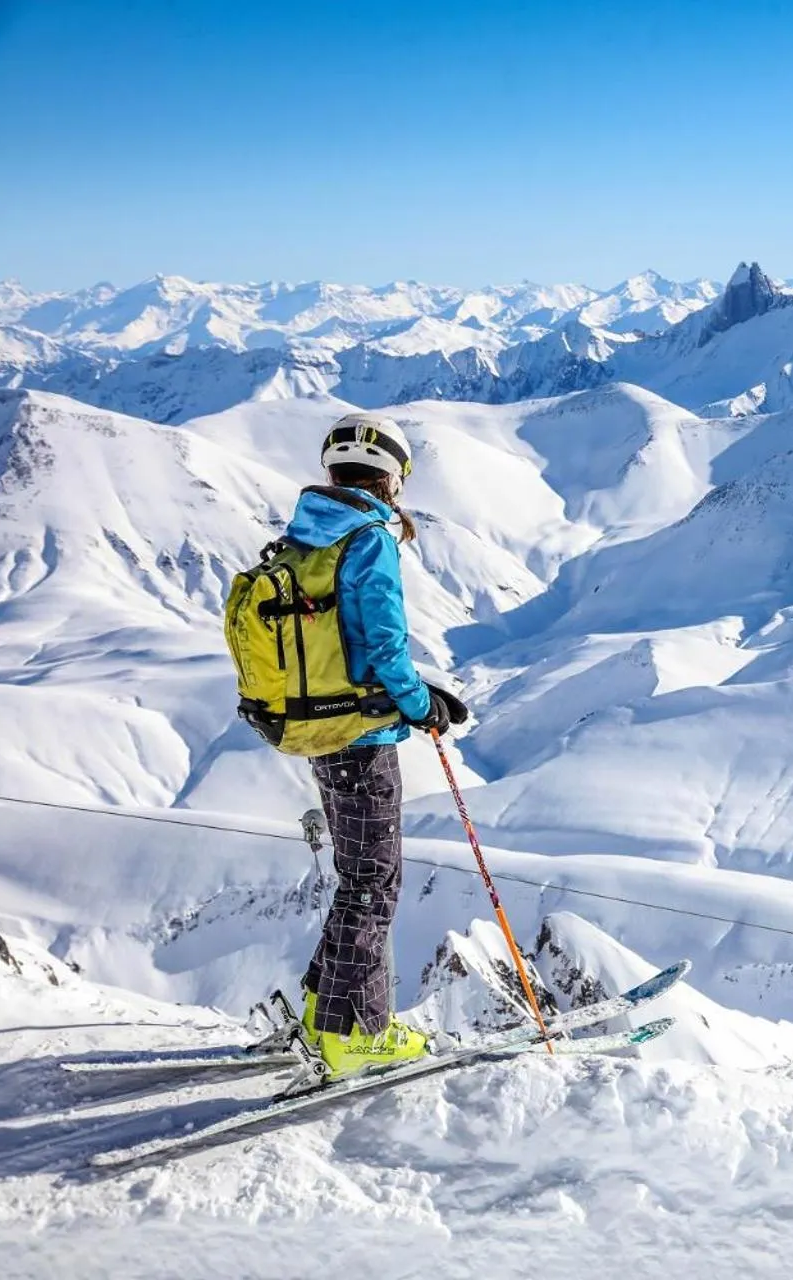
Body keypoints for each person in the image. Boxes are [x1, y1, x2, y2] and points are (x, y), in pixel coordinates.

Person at [286, 412, 470, 1078]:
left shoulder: (306, 531)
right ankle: (354, 1035)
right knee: (375, 882)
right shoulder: (368, 538)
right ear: (394, 475)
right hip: (362, 734)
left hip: (319, 724)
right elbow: (386, 646)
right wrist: (424, 707)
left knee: (357, 877)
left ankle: (323, 1010)